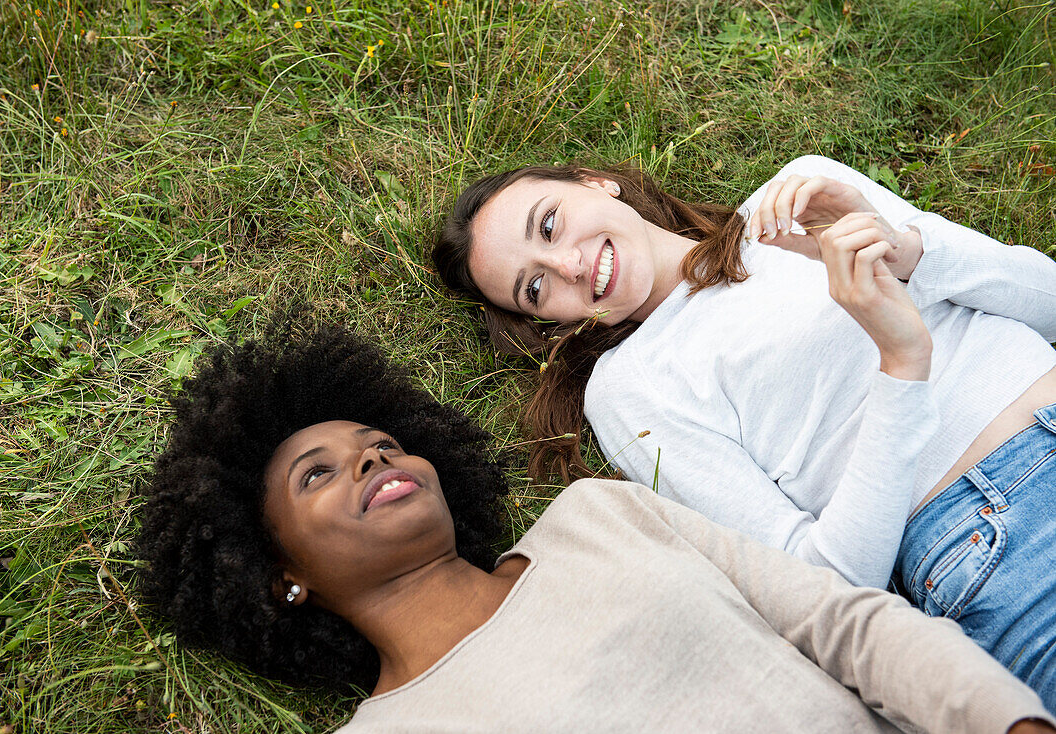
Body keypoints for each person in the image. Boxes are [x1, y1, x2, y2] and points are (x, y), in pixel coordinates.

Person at [135, 321, 1056, 731]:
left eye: (377, 441)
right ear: (278, 575)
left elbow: (845, 625)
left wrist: (1008, 724)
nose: (370, 459)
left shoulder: (597, 517)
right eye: (318, 474)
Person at [433, 155, 1056, 703]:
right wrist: (902, 368)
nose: (569, 264)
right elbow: (827, 587)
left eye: (549, 224)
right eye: (535, 287)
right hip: (995, 526)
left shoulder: (799, 197)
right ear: (550, 324)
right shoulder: (632, 386)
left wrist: (906, 253)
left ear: (597, 184)